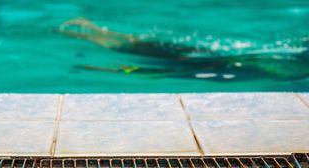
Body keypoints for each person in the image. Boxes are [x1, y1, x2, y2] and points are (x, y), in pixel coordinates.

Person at [58, 18, 309, 81]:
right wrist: (105, 69)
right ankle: (80, 28)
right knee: (125, 46)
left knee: (129, 43)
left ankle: (85, 26)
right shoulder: (199, 67)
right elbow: (144, 71)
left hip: (186, 51)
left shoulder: (217, 60)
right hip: (174, 55)